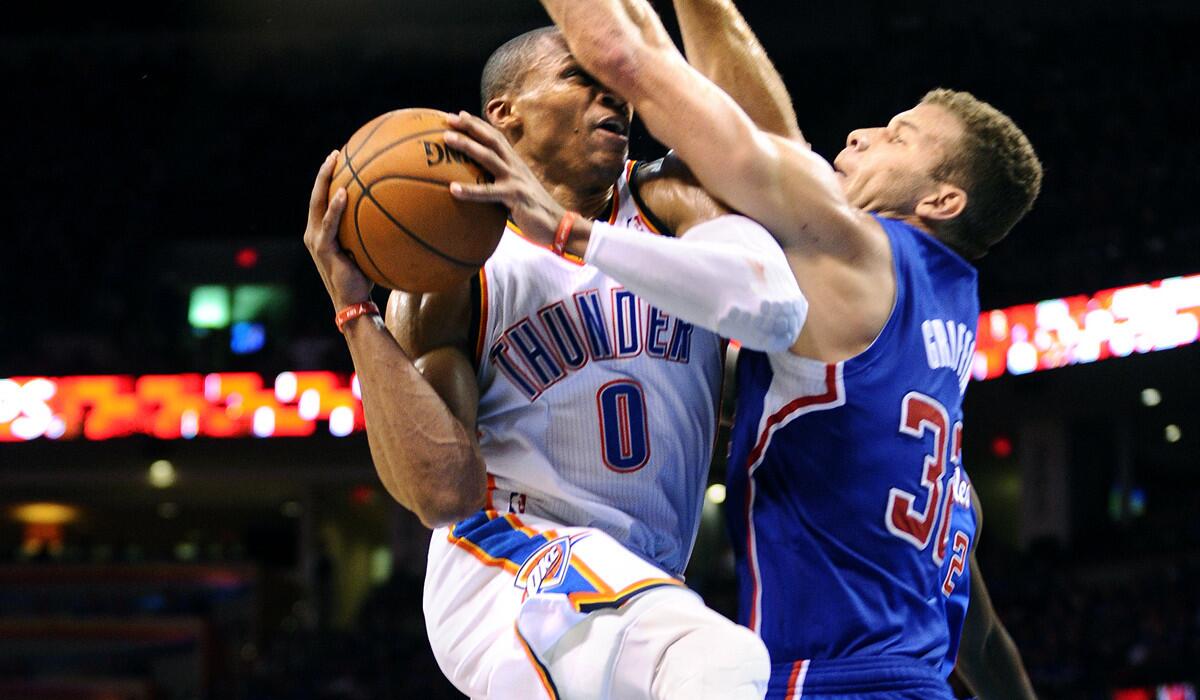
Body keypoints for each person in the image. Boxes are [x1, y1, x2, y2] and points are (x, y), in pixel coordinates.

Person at [519, 1, 1043, 697]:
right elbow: (979, 643)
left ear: (942, 201)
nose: (859, 135)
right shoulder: (946, 431)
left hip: (829, 683)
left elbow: (628, 58)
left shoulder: (855, 252)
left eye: (898, 138)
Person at [303, 21, 809, 699]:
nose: (616, 100)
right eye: (581, 80)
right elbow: (442, 495)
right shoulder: (459, 276)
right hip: (505, 566)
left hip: (643, 582)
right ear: (504, 116)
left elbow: (772, 308)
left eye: (620, 87)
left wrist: (573, 235)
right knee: (719, 661)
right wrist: (353, 310)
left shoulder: (667, 203)